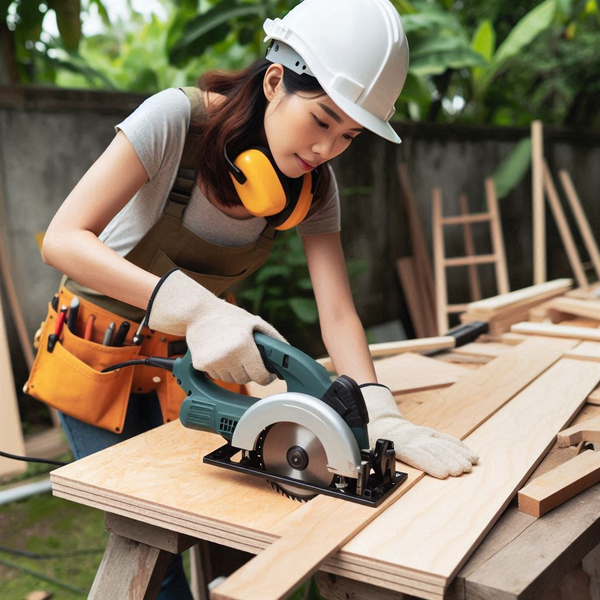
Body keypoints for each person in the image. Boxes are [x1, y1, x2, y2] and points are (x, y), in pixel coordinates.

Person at [32, 0, 478, 596]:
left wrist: (381, 413)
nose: (326, 149)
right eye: (321, 120)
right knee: (148, 536)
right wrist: (199, 309)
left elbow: (337, 311)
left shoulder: (313, 188)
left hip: (195, 362)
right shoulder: (175, 122)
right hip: (96, 352)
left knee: (214, 521)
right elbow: (63, 239)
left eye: (347, 136)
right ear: (275, 81)